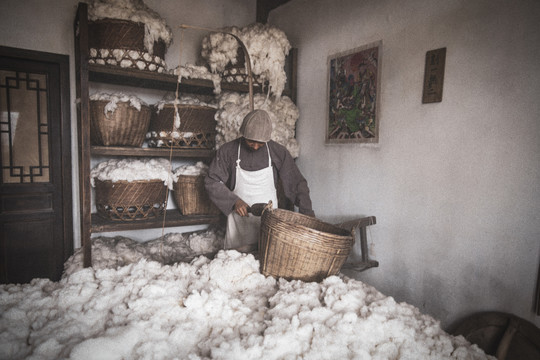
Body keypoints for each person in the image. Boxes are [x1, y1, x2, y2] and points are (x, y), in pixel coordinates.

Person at [205, 109, 315, 252]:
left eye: (261, 143)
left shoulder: (278, 152)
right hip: (239, 222)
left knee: (267, 258)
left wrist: (308, 213)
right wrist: (234, 201)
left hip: (268, 221)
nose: (256, 146)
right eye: (251, 141)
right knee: (235, 263)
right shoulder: (228, 151)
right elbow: (211, 181)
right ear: (243, 133)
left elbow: (297, 184)